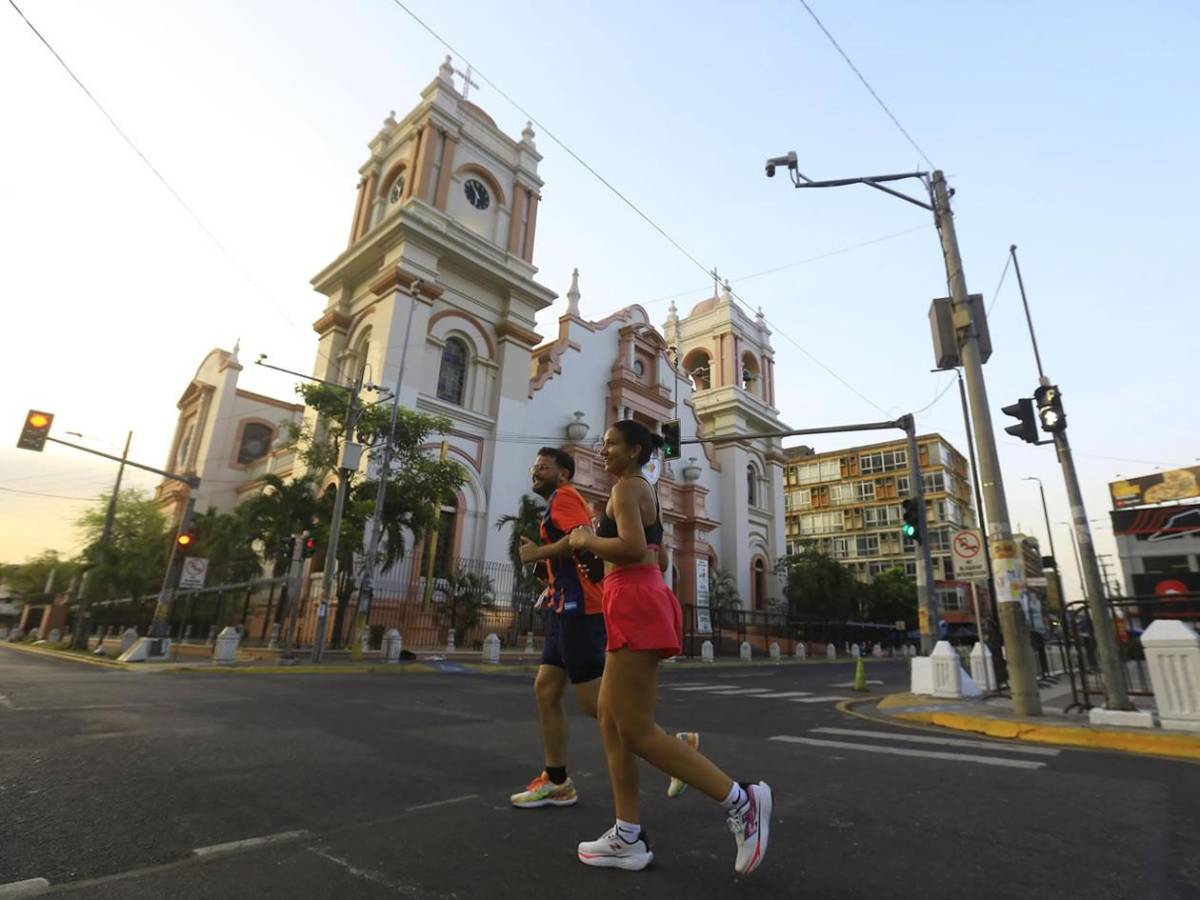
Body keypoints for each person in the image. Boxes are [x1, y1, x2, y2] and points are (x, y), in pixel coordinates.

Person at [568, 420, 772, 875]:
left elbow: (631, 547)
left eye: (611, 445)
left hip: (636, 602)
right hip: (632, 599)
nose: (604, 451)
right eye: (603, 445)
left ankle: (741, 801)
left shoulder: (625, 489)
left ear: (635, 449)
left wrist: (584, 538)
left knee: (636, 730)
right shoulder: (641, 489)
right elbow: (656, 556)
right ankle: (627, 834)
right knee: (609, 718)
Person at [508, 447, 609, 809]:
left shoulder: (565, 497)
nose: (536, 472)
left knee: (597, 705)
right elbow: (571, 550)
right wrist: (547, 575)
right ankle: (557, 780)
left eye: (544, 467)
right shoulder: (557, 501)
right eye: (535, 466)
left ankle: (673, 746)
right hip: (562, 606)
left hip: (579, 609)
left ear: (563, 474)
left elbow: (581, 538)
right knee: (547, 689)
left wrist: (538, 554)